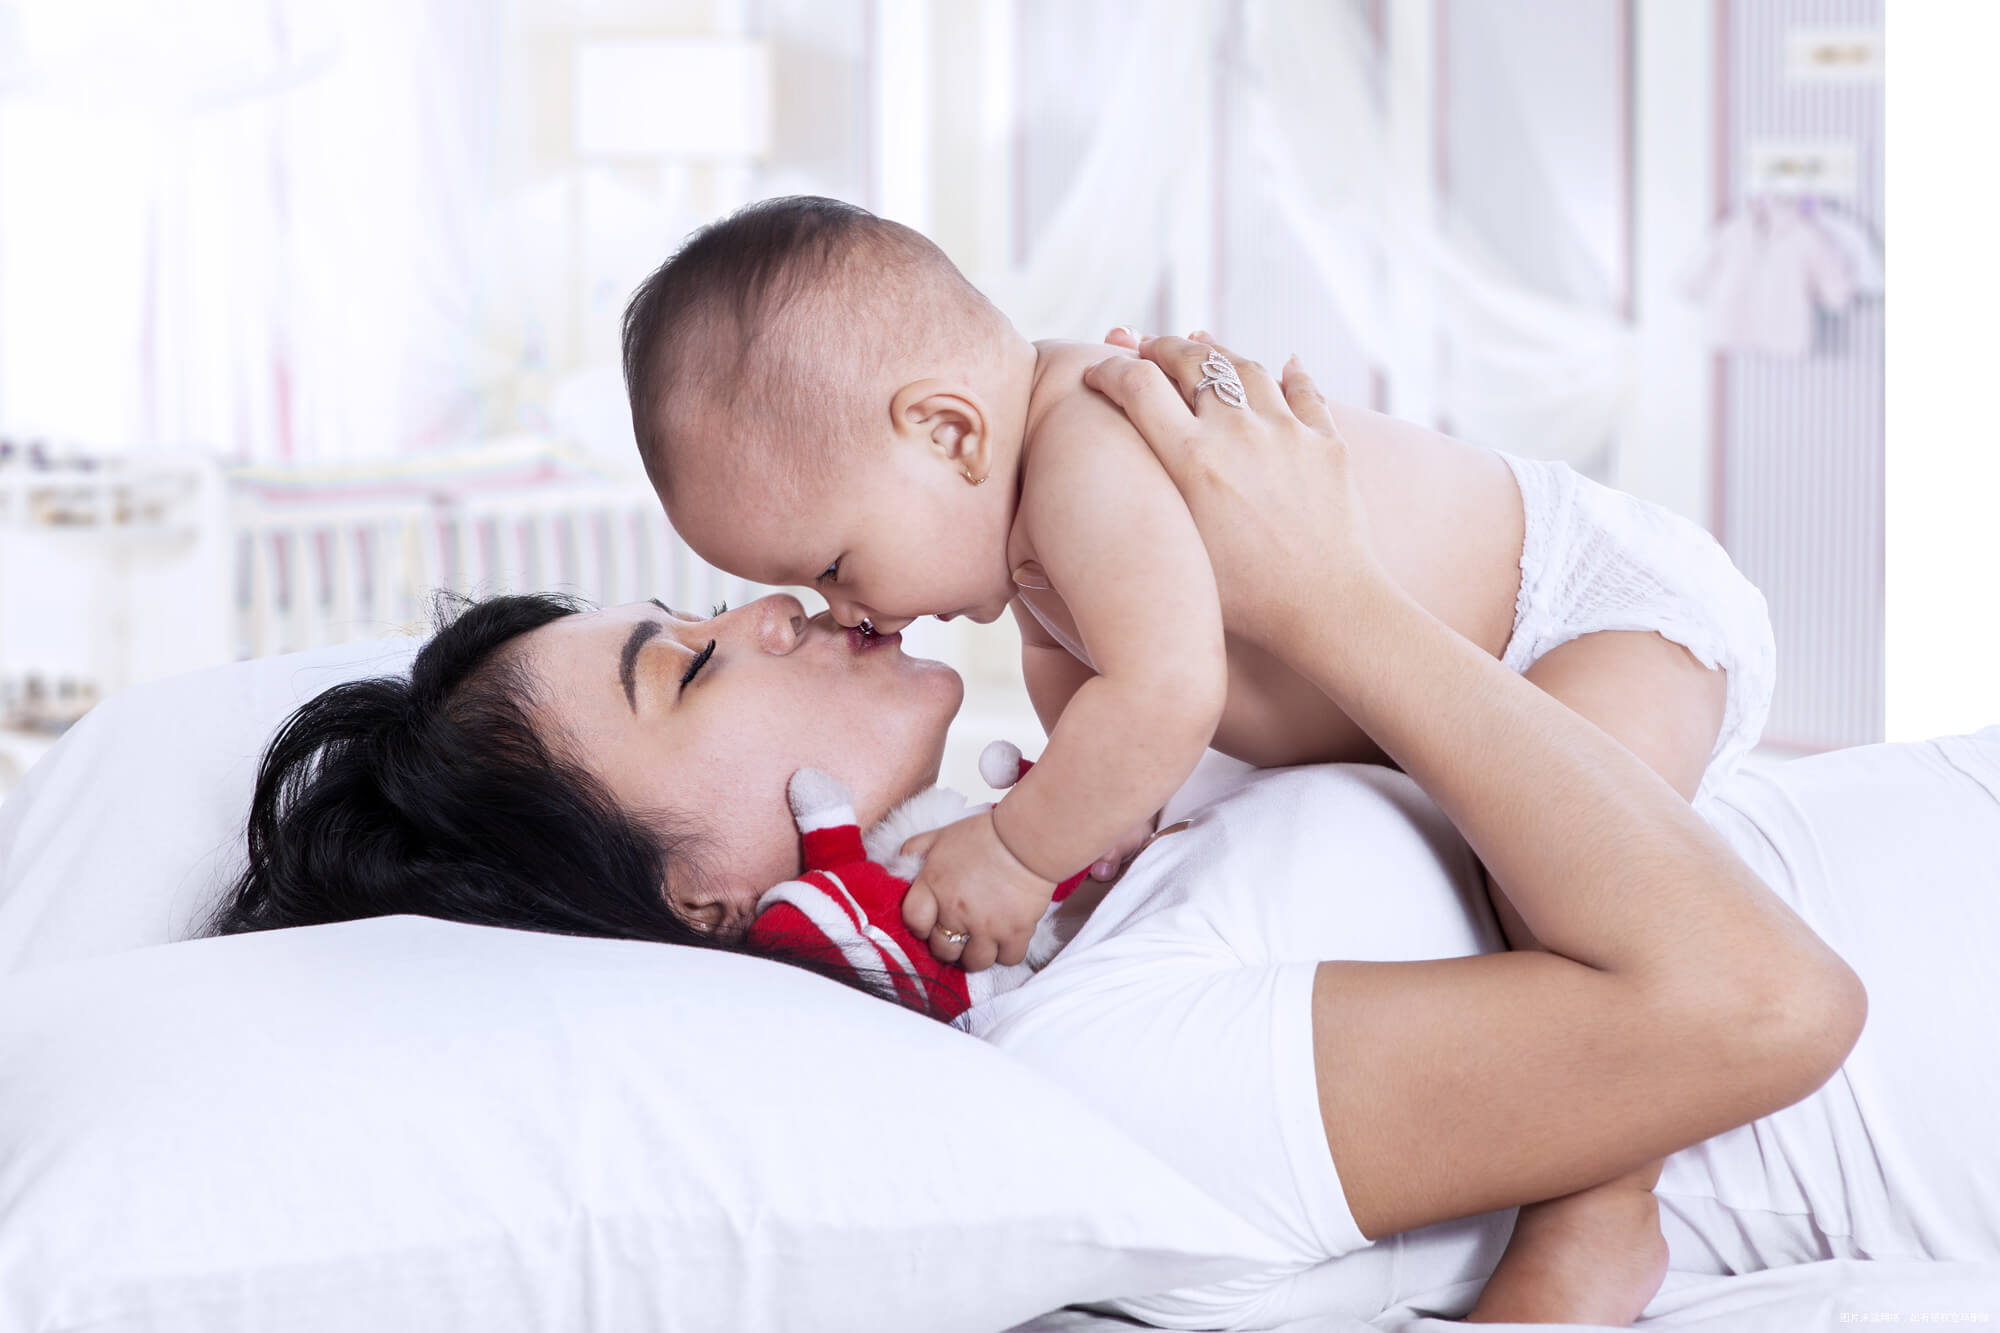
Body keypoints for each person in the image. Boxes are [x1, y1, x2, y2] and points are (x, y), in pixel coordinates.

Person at [205, 343, 2000, 1327]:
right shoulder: (1092, 1068)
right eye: (683, 665)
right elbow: (1766, 1001)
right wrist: (1329, 594)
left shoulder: (1034, 818)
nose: (765, 607)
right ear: (702, 899)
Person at [616, 194, 1776, 1002]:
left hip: (1587, 613)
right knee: (1491, 895)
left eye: (831, 564)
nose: (842, 611)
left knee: (1565, 912)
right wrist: (1109, 817)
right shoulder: (1029, 546)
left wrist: (1019, 851)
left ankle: (1604, 1204)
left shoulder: (1085, 449)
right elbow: (1108, 714)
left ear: (947, 432)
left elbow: (1167, 689)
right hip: (1448, 691)